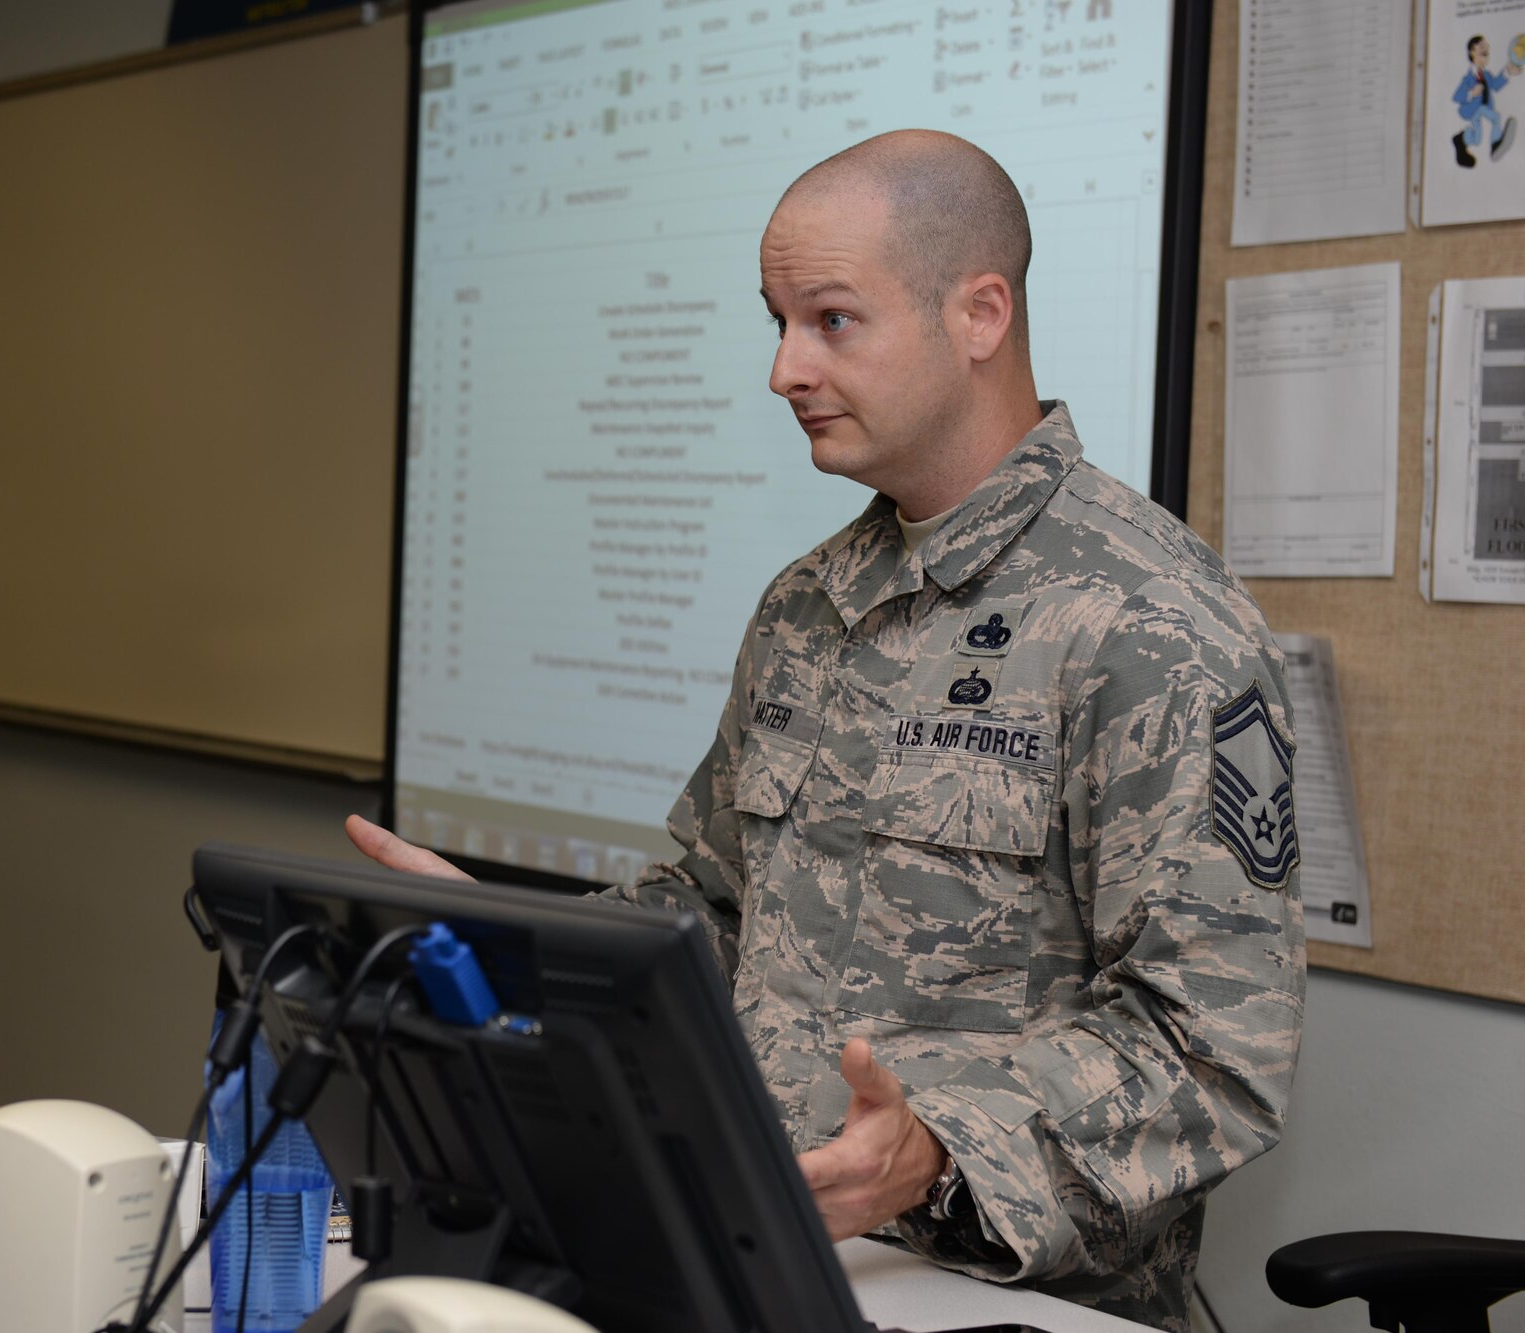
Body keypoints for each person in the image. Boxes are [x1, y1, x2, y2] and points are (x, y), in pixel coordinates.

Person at [347, 130, 1305, 1331]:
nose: (783, 367)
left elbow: (1212, 1045)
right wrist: (505, 944)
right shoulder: (807, 602)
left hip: (1008, 1298)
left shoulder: (1151, 617)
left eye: (830, 320)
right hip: (755, 1258)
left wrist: (939, 1150)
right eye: (776, 320)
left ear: (978, 313)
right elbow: (707, 909)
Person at [1452, 33, 1520, 168]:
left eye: (1487, 53)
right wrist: (1471, 93)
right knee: (1495, 118)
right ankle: (1495, 144)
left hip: (1483, 109)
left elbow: (1495, 85)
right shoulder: (1468, 78)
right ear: (1472, 52)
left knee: (1477, 139)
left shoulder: (1486, 75)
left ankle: (1461, 139)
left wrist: (1508, 72)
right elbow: (1457, 97)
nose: (1486, 55)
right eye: (1482, 51)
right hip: (1473, 109)